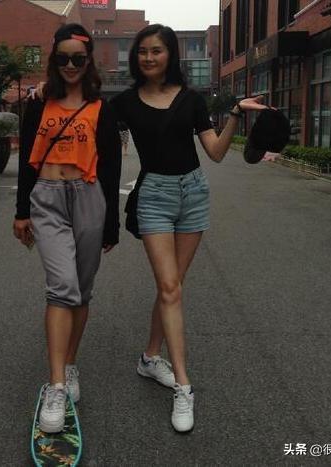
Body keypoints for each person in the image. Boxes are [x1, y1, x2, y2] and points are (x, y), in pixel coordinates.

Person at [110, 24, 268, 433]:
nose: (149, 57)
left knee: (173, 287)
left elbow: (215, 152)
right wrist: (46, 95)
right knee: (170, 288)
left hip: (194, 193)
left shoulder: (191, 99)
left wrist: (236, 114)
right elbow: (87, 115)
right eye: (143, 51)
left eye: (156, 50)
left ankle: (150, 358)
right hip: (154, 196)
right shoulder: (124, 102)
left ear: (170, 55)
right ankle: (184, 385)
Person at [13, 23, 121, 434]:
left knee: (82, 290)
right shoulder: (39, 104)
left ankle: (70, 364)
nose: (71, 65)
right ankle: (56, 385)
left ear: (89, 59)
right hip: (47, 198)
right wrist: (21, 210)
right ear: (53, 59)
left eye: (78, 58)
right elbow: (27, 161)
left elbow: (111, 168)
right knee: (62, 286)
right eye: (63, 58)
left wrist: (111, 223)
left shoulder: (101, 108)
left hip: (89, 197)